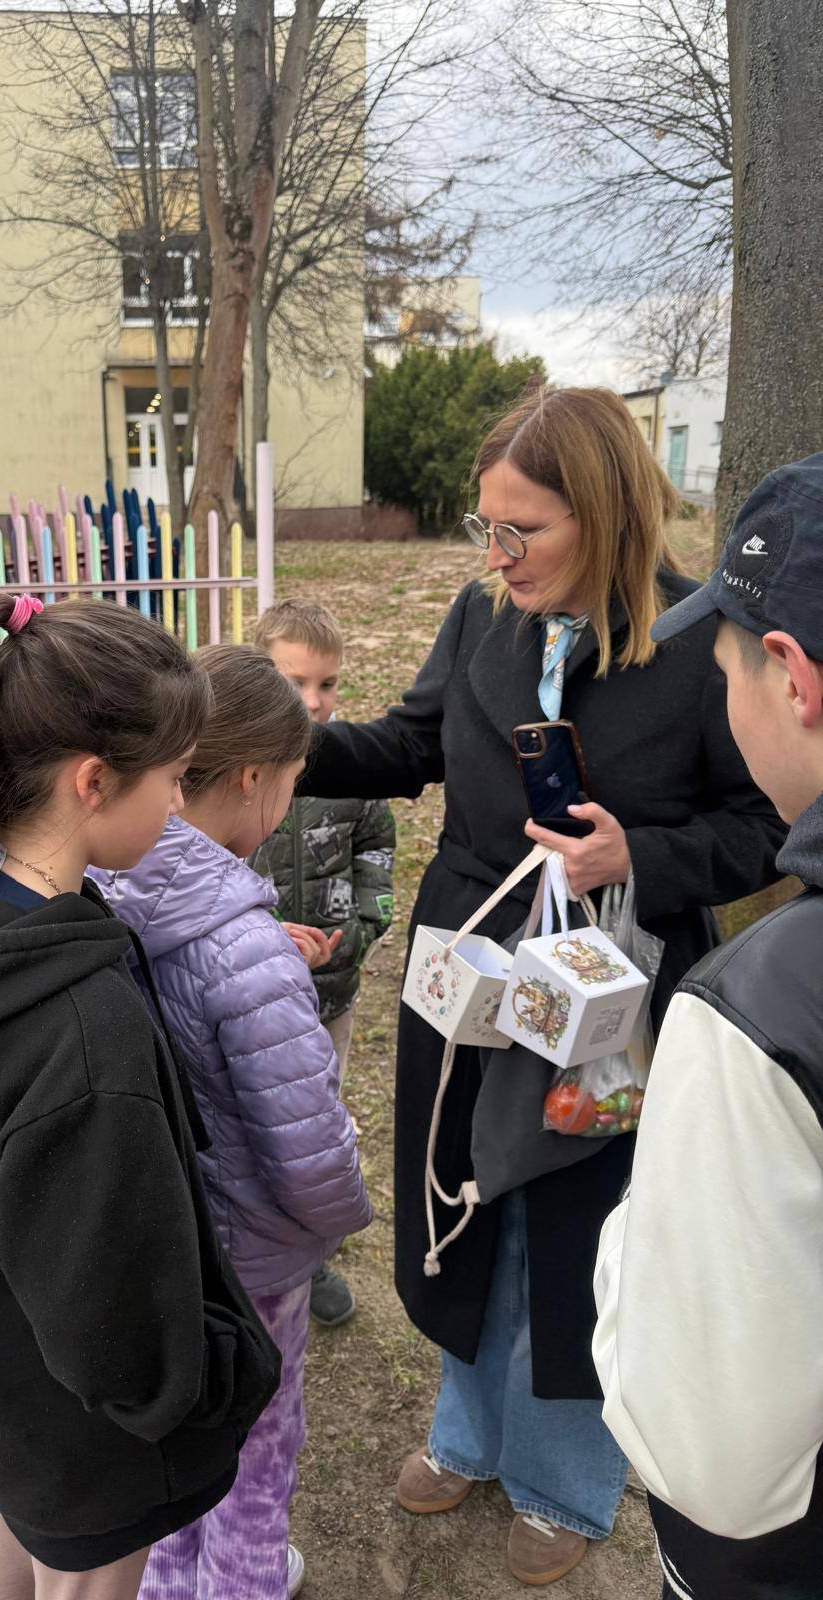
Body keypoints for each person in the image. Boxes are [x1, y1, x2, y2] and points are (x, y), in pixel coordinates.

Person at [297, 385, 787, 1585]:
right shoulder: (481, 616)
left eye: (523, 530)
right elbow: (409, 744)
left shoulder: (701, 644)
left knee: (581, 1221)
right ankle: (466, 1432)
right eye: (488, 526)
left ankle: (564, 1478)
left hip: (611, 980)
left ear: (605, 514)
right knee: (465, 1188)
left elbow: (767, 824)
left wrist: (641, 855)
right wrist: (271, 739)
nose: (497, 554)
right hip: (471, 961)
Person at [0, 594, 281, 1600]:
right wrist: (212, 1375)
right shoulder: (79, 1027)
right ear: (92, 780)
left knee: (7, 1542)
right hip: (95, 1441)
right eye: (173, 777)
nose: (181, 804)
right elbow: (119, 1332)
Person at [98, 643, 373, 1600]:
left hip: (161, 1245)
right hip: (255, 1257)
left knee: (183, 1445)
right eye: (292, 782)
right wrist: (341, 1217)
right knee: (260, 1445)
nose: (290, 804)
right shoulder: (247, 947)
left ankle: (168, 1585)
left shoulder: (107, 882)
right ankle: (248, 1580)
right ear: (253, 778)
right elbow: (309, 1152)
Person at [593, 455, 823, 1599]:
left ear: (792, 679)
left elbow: (708, 1451)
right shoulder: (484, 626)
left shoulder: (761, 1013)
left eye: (729, 671)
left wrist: (635, 1236)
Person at [248, 599, 395, 1327]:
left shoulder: (352, 769)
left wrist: (362, 930)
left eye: (327, 683)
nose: (313, 701)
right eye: (294, 681)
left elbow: (377, 851)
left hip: (331, 995)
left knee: (316, 1122)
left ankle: (312, 1255)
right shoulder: (231, 771)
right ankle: (253, 1250)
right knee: (255, 1124)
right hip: (253, 1003)